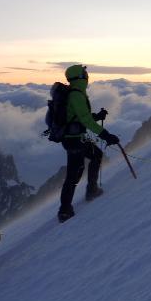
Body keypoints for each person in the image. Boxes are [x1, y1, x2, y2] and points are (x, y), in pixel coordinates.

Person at [56, 64, 119, 223]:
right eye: (84, 73)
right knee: (74, 173)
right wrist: (106, 135)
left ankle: (89, 190)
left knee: (94, 156)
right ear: (79, 77)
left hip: (73, 138)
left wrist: (97, 116)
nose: (87, 75)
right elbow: (84, 119)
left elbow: (80, 116)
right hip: (75, 139)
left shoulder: (75, 93)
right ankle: (65, 209)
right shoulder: (77, 94)